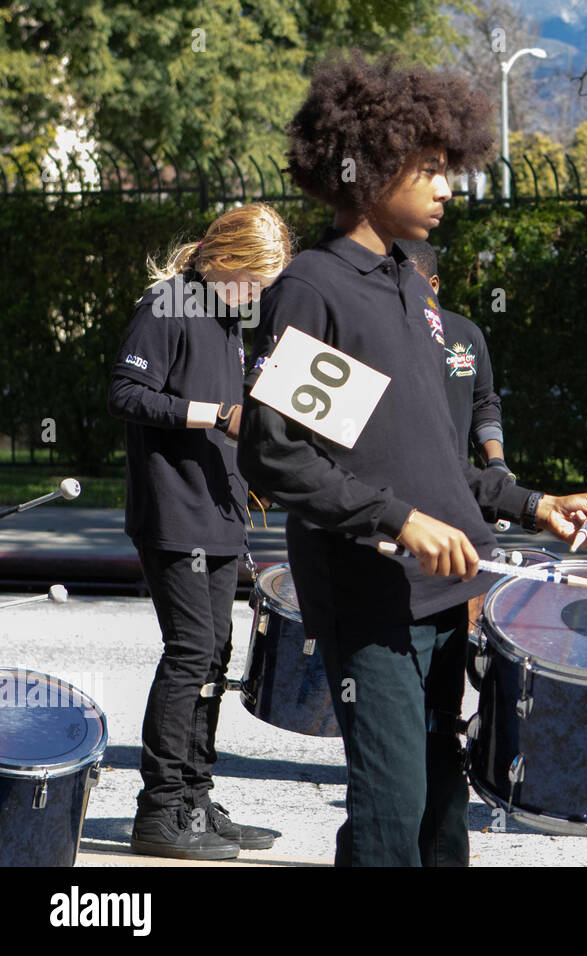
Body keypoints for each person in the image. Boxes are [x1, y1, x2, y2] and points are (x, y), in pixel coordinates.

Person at [237, 53, 587, 867]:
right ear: (371, 167)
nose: (451, 189)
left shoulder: (410, 290)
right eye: (432, 171)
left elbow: (437, 460)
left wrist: (534, 504)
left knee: (442, 805)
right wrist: (399, 521)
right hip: (368, 590)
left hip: (445, 591)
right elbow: (275, 453)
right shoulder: (316, 286)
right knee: (393, 806)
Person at [108, 203, 291, 860]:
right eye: (254, 280)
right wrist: (215, 412)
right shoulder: (169, 304)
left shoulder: (222, 315)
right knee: (190, 655)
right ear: (226, 259)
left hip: (216, 512)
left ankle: (195, 800)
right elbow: (126, 393)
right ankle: (159, 813)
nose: (257, 295)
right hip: (174, 513)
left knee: (214, 654)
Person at [394, 239, 509, 473]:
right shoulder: (373, 334)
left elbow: (483, 403)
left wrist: (497, 464)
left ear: (433, 285)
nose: (399, 291)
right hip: (393, 492)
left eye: (409, 283)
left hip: (456, 485)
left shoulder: (466, 334)